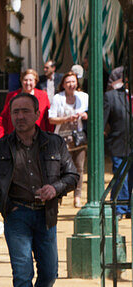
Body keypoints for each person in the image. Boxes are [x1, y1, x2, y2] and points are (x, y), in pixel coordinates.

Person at [0, 93, 78, 287]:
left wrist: (54, 189)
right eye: (16, 112)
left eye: (25, 111)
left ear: (37, 114)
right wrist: (5, 207)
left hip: (46, 215)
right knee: (23, 273)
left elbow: (72, 176)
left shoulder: (54, 143)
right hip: (17, 215)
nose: (20, 116)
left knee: (49, 272)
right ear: (10, 116)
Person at [49, 71, 89, 207]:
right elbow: (51, 119)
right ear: (63, 85)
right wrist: (66, 119)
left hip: (78, 137)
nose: (71, 84)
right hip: (62, 138)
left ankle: (77, 196)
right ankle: (59, 193)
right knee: (60, 168)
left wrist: (84, 115)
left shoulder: (83, 97)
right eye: (68, 82)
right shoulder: (57, 98)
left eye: (73, 81)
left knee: (79, 167)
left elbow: (90, 112)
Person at [103, 67, 130, 217]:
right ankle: (120, 208)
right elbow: (102, 121)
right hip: (119, 143)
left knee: (130, 176)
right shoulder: (111, 97)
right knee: (121, 175)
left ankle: (127, 207)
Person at [0, 68, 50, 138]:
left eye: (31, 80)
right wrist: (0, 138)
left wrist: (48, 138)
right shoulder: (12, 96)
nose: (28, 83)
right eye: (25, 80)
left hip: (38, 138)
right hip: (16, 138)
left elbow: (48, 119)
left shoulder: (43, 96)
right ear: (21, 81)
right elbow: (3, 118)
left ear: (35, 82)